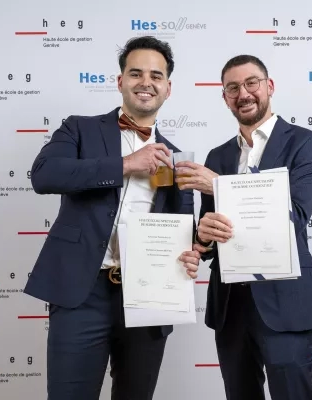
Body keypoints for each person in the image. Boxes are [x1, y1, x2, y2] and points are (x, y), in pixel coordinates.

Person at [24, 36, 202, 400]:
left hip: (149, 296)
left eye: (156, 75)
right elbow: (44, 175)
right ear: (120, 81)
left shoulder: (176, 159)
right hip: (82, 293)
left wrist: (193, 251)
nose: (146, 82)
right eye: (136, 73)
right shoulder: (79, 129)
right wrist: (124, 164)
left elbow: (184, 231)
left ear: (168, 89)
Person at [174, 55, 312, 400]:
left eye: (251, 83)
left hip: (285, 301)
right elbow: (211, 233)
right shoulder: (217, 156)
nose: (243, 93)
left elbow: (295, 217)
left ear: (269, 86)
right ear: (225, 97)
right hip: (231, 304)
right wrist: (203, 240)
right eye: (232, 88)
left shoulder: (305, 143)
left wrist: (220, 186)